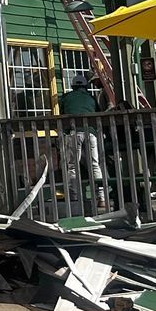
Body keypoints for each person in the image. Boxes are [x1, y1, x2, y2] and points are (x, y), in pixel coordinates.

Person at [60, 73, 106, 209]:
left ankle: (74, 198)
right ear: (86, 86)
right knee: (95, 165)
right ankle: (101, 197)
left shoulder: (66, 97)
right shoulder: (91, 98)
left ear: (73, 86)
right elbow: (98, 113)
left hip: (74, 132)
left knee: (73, 166)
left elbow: (63, 114)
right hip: (91, 133)